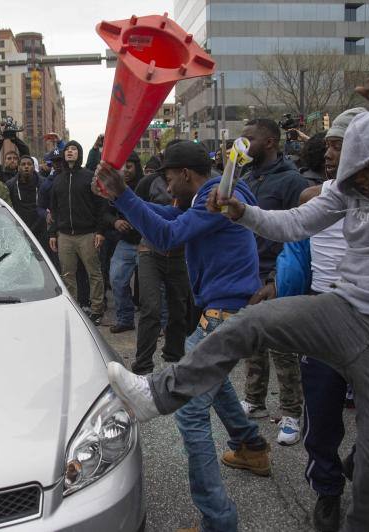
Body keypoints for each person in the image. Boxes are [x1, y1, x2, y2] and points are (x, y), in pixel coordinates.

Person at [104, 78, 369, 532]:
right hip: (343, 310)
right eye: (352, 175)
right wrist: (245, 214)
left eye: (368, 171)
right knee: (251, 324)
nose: (361, 183)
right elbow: (295, 223)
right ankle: (157, 394)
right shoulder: (349, 186)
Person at [94, 140, 270, 532]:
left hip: (224, 315)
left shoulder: (218, 196)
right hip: (224, 311)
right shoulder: (205, 197)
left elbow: (169, 237)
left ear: (186, 175)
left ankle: (218, 522)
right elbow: (168, 217)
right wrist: (120, 198)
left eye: (169, 178)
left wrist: (123, 194)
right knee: (213, 380)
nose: (167, 186)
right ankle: (251, 446)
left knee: (190, 410)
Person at [293, 107, 365, 532]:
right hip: (322, 312)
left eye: (339, 145)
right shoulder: (312, 198)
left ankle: (361, 460)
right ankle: (328, 490)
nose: (328, 153)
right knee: (321, 413)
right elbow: (289, 237)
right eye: (329, 145)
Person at [239, 118, 309, 445]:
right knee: (253, 342)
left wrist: (276, 278)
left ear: (269, 142)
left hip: (276, 275)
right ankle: (254, 401)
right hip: (248, 273)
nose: (243, 143)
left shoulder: (292, 181)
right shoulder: (246, 177)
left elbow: (298, 235)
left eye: (248, 138)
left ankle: (292, 412)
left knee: (282, 347)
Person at [131, 146, 192, 374]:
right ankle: (143, 364)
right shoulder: (149, 182)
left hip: (179, 256)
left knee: (178, 309)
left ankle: (174, 357)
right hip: (150, 252)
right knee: (151, 308)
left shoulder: (195, 186)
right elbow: (135, 207)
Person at [48, 141, 112, 325]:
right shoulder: (58, 180)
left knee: (94, 273)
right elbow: (54, 209)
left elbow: (101, 206)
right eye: (67, 149)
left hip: (88, 234)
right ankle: (73, 307)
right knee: (67, 274)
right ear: (63, 154)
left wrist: (100, 231)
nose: (70, 152)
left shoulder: (89, 177)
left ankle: (97, 309)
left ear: (80, 154)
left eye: (74, 149)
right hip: (65, 235)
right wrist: (53, 233)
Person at [108, 152, 143, 333]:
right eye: (121, 167)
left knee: (152, 288)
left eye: (128, 167)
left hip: (146, 243)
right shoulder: (114, 188)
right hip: (125, 243)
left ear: (136, 166)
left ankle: (163, 323)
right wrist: (115, 221)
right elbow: (105, 211)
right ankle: (125, 319)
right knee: (116, 279)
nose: (125, 171)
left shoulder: (145, 185)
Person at [6, 155, 45, 238]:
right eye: (23, 164)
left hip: (41, 229)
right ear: (18, 167)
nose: (26, 166)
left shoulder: (43, 183)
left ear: (34, 167)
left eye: (29, 164)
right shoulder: (11, 185)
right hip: (19, 229)